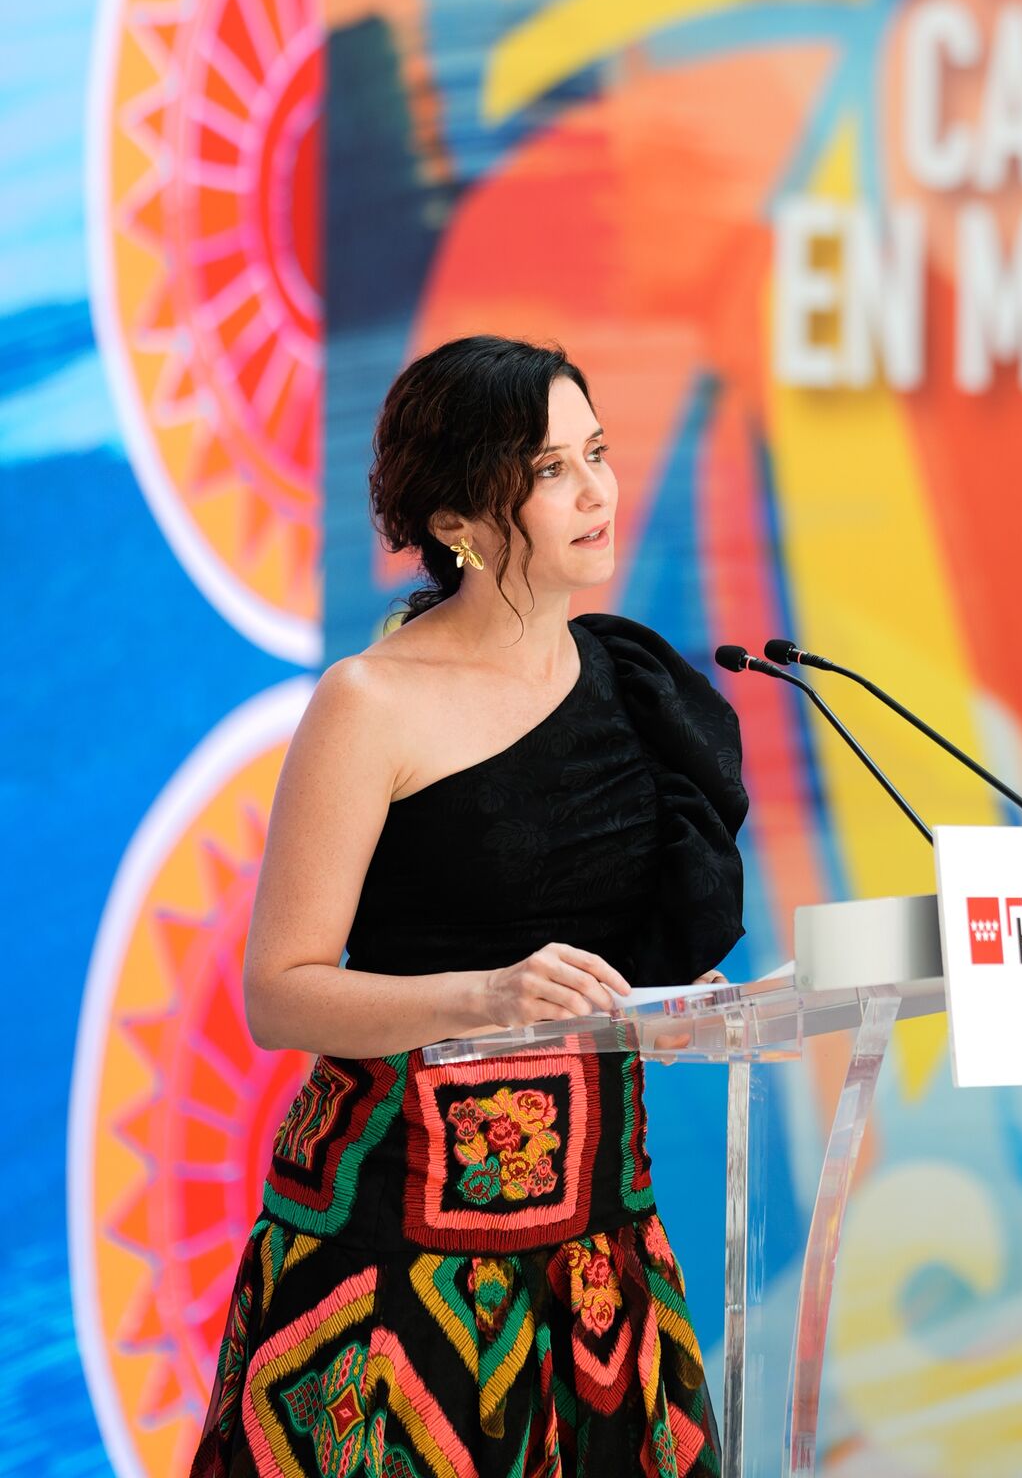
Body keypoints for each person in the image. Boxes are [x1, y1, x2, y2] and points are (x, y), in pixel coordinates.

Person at [190, 333, 747, 1478]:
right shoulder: (370, 702)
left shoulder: (635, 685)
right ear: (456, 520)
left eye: (598, 453)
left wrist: (683, 1008)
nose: (596, 491)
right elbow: (279, 992)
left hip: (598, 1259)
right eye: (550, 470)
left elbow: (615, 970)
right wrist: (488, 995)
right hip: (394, 1259)